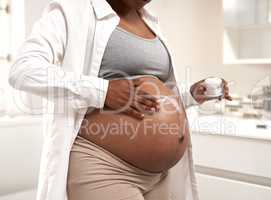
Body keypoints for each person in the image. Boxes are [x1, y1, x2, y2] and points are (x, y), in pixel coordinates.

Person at [8, 0, 231, 200]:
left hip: (160, 175)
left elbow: (147, 94)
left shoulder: (150, 22)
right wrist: (103, 91)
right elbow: (24, 71)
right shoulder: (71, 11)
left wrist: (190, 95)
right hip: (104, 166)